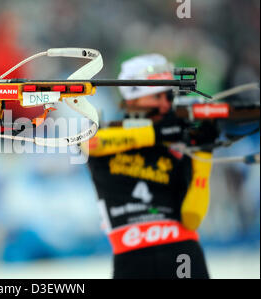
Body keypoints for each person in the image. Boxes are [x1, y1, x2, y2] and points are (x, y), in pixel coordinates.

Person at [82, 54, 219, 279]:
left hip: (184, 255)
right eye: (158, 96)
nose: (166, 104)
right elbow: (90, 143)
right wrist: (157, 133)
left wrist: (204, 151)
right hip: (132, 259)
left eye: (170, 96)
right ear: (133, 100)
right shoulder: (105, 131)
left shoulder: (177, 142)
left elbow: (192, 218)